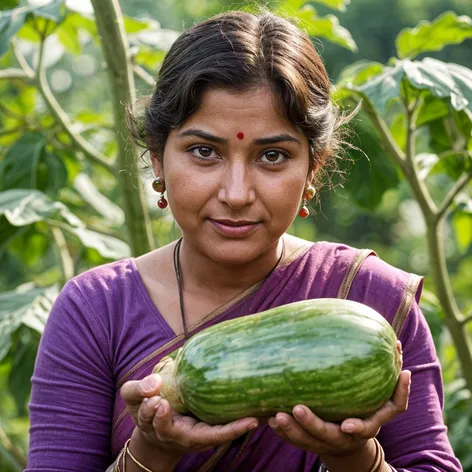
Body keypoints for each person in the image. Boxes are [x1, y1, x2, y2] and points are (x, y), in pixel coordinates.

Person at [26, 9, 462, 472]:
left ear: (313, 167)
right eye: (204, 152)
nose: (236, 194)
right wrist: (154, 451)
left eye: (272, 155)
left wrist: (354, 456)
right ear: (156, 158)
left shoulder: (374, 298)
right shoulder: (96, 311)